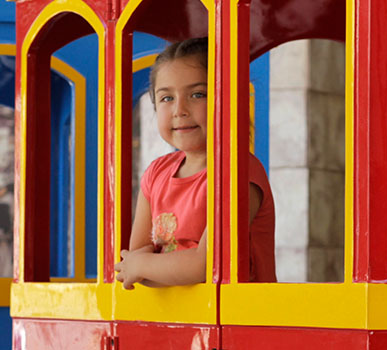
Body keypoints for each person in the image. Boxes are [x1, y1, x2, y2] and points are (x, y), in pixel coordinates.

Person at [114, 37, 276, 289]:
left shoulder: (239, 172)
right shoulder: (156, 173)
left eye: (197, 94)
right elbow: (134, 259)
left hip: (236, 321)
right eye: (167, 98)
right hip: (172, 319)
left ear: (229, 100)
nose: (180, 110)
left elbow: (206, 265)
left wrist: (143, 265)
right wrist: (141, 265)